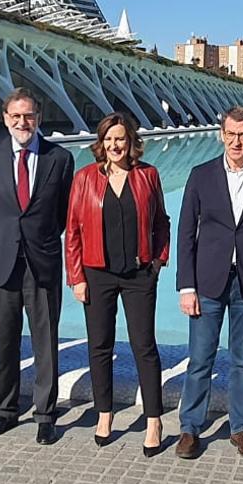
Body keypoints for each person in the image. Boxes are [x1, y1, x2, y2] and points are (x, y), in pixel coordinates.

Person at [175, 106, 243, 460]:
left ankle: (240, 428)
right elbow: (185, 234)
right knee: (200, 359)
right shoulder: (200, 175)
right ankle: (190, 428)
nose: (237, 141)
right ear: (222, 134)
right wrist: (185, 286)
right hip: (207, 282)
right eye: (232, 134)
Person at [0, 88, 74, 445]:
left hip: (42, 261)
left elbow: (63, 213)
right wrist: (5, 238)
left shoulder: (59, 158)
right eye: (15, 116)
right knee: (5, 340)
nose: (22, 122)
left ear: (39, 118)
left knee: (45, 341)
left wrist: (37, 238)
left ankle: (46, 413)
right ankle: (6, 410)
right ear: (5, 118)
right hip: (2, 262)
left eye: (28, 115)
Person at [65, 112, 169, 457]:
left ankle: (153, 419)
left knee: (144, 347)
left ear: (131, 142)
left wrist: (157, 262)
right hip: (98, 273)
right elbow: (74, 232)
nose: (114, 145)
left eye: (120, 139)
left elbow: (161, 223)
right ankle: (104, 413)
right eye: (109, 139)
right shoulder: (85, 178)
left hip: (139, 274)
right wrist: (76, 277)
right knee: (100, 346)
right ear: (101, 143)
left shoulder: (147, 175)